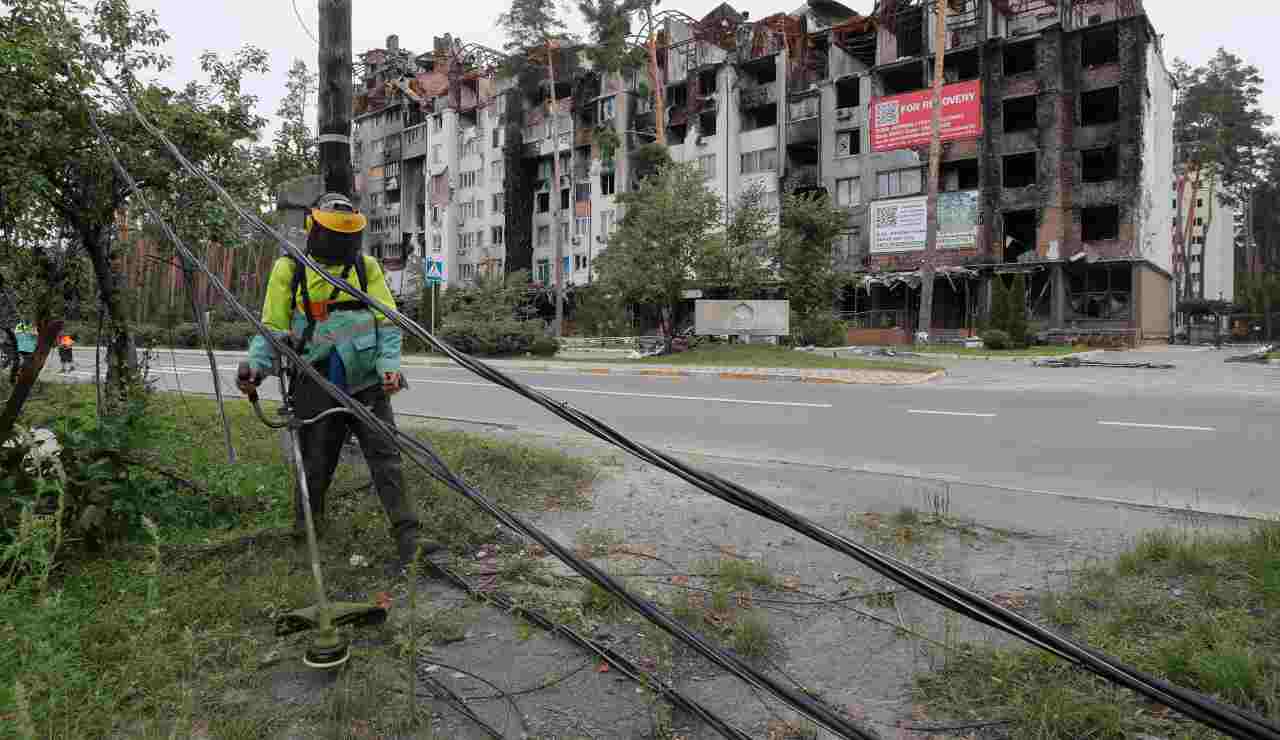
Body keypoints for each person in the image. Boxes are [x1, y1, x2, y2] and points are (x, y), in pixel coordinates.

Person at [236, 192, 437, 574]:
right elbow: (273, 327)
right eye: (333, 233)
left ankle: (409, 538)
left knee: (386, 457)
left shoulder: (366, 268)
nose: (341, 243)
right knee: (316, 461)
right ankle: (305, 533)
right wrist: (256, 369)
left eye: (347, 236)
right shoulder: (290, 269)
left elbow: (387, 321)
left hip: (365, 380)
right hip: (315, 378)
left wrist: (389, 365)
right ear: (314, 229)